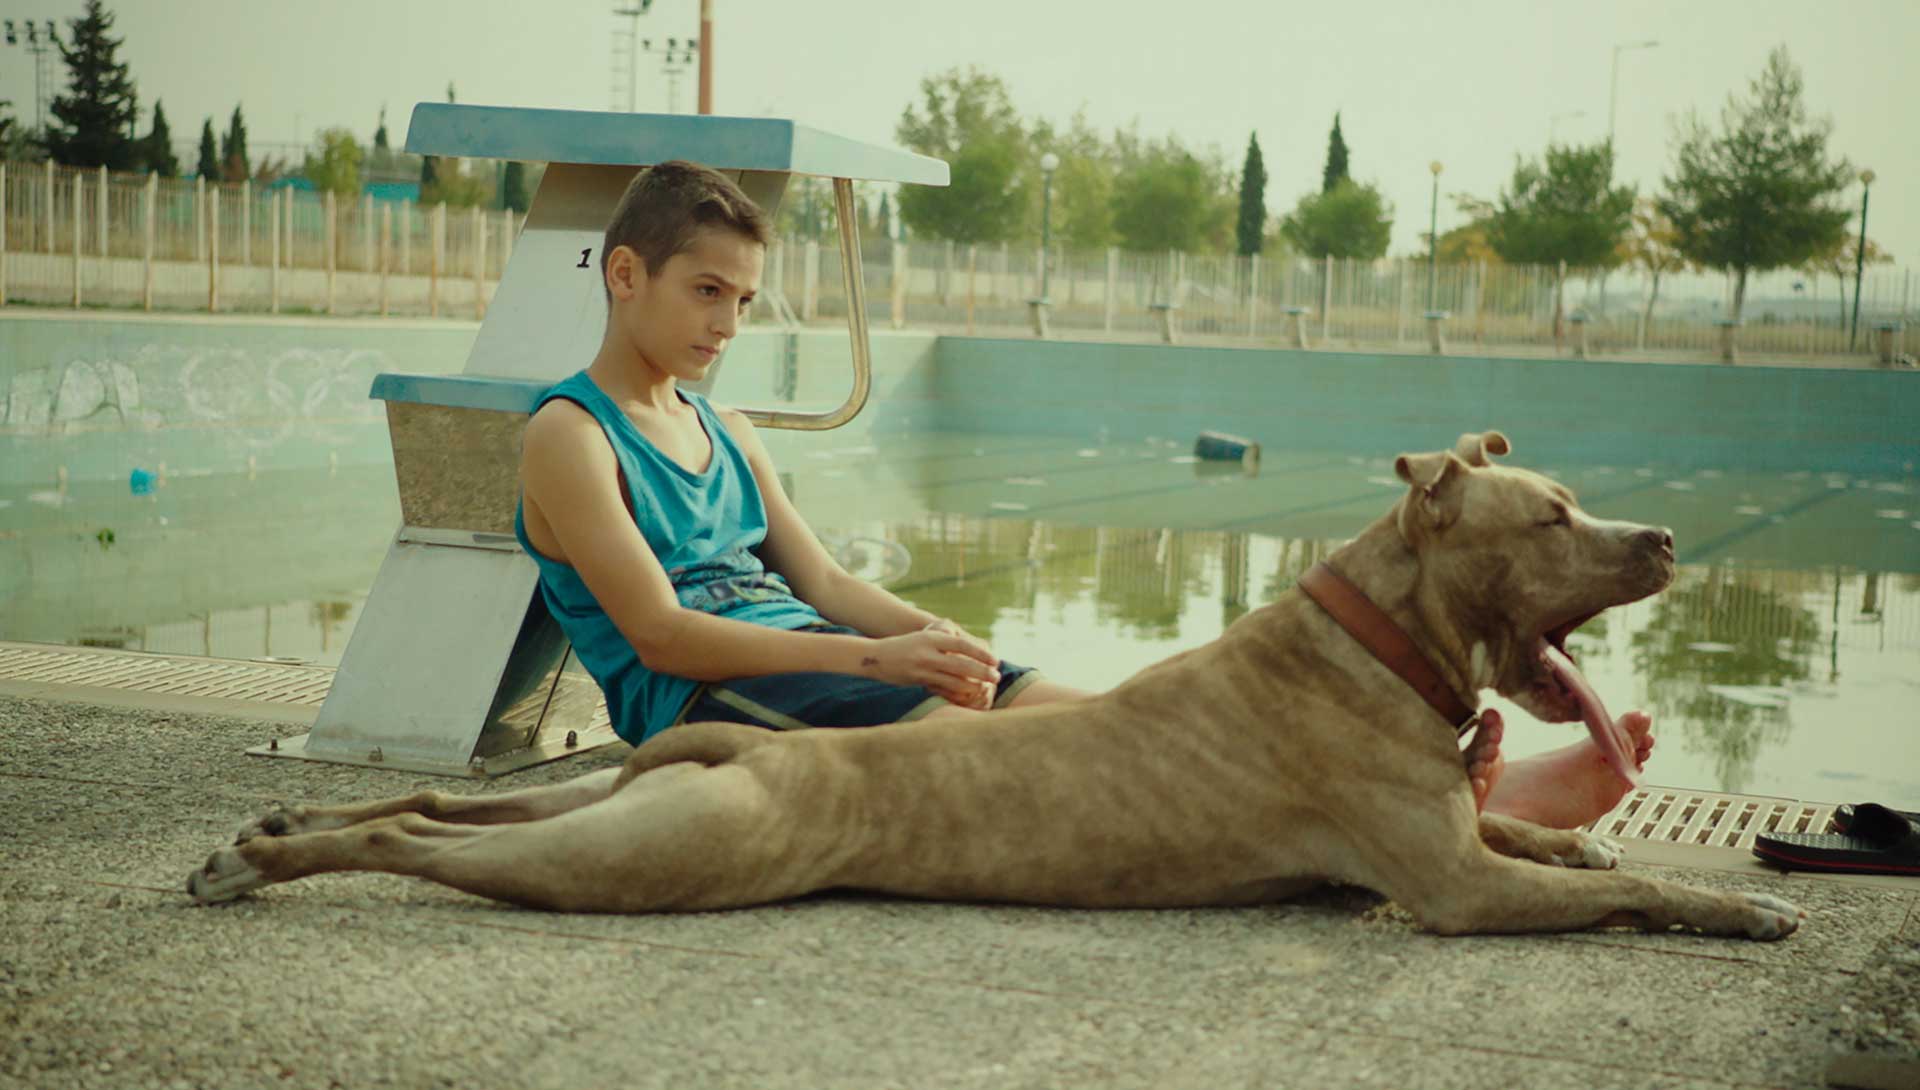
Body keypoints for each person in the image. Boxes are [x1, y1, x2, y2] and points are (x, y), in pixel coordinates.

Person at [514, 160, 1652, 830]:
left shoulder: (726, 426)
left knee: (1136, 716)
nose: (727, 321)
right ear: (626, 275)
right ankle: (1467, 814)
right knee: (1061, 773)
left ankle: (1428, 802)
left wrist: (930, 634)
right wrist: (875, 664)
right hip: (717, 709)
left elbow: (822, 581)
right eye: (708, 291)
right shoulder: (571, 438)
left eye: (747, 300)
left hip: (822, 659)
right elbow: (662, 636)